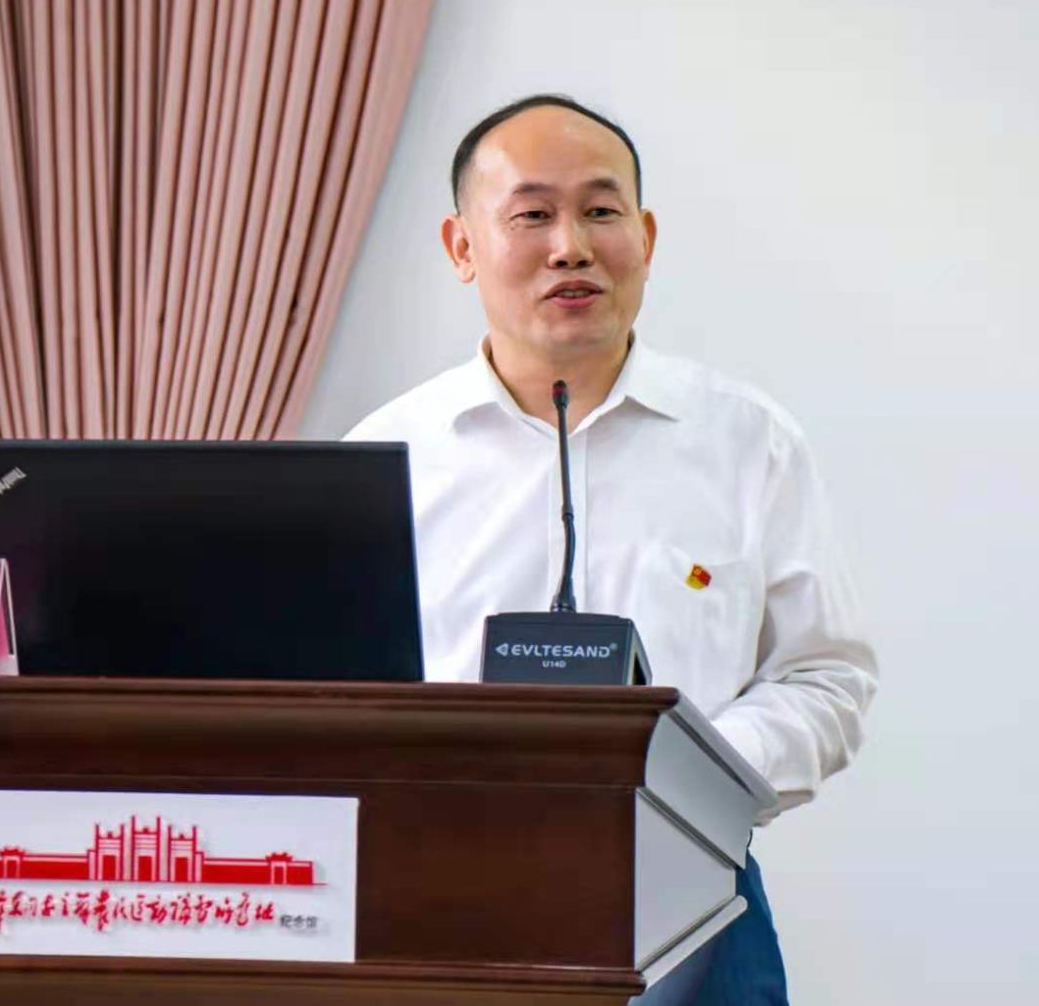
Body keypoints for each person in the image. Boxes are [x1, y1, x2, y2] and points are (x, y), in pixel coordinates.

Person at [346, 94, 878, 1003]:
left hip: (693, 898)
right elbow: (332, 695)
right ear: (462, 246)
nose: (571, 247)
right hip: (440, 894)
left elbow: (825, 677)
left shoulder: (748, 443)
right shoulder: (386, 457)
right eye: (531, 215)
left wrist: (692, 771)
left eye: (600, 210)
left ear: (646, 235)